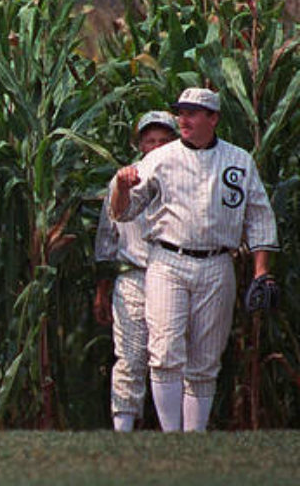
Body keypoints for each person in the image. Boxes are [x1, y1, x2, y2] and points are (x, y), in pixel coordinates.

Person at [111, 88, 277, 432]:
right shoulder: (159, 158)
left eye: (192, 113)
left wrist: (262, 272)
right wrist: (123, 188)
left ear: (213, 118)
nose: (183, 120)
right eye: (181, 113)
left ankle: (195, 438)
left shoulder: (239, 160)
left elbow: (259, 216)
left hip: (218, 263)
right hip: (168, 260)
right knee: (165, 352)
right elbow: (123, 213)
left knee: (204, 360)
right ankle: (173, 438)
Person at [93, 110, 178, 432]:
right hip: (133, 275)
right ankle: (123, 427)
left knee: (169, 355)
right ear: (140, 143)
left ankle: (176, 429)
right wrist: (102, 287)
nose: (156, 146)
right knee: (129, 355)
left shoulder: (185, 178)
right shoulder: (123, 180)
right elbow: (106, 238)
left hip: (173, 273)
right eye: (150, 140)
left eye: (163, 140)